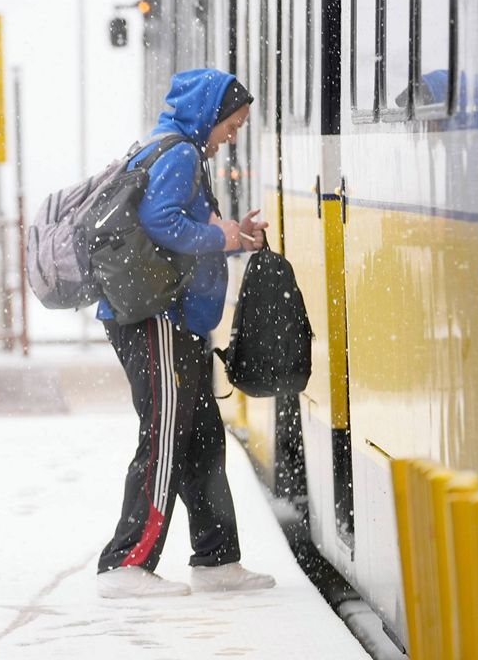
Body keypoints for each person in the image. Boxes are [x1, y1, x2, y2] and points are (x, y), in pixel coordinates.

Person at [94, 68, 275, 599]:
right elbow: (162, 222)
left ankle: (217, 559)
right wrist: (218, 237)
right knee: (166, 436)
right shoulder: (178, 153)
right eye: (232, 125)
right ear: (209, 115)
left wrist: (235, 237)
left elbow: (191, 231)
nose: (232, 137)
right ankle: (125, 564)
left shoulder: (182, 153)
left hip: (177, 322)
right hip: (156, 321)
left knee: (201, 440)